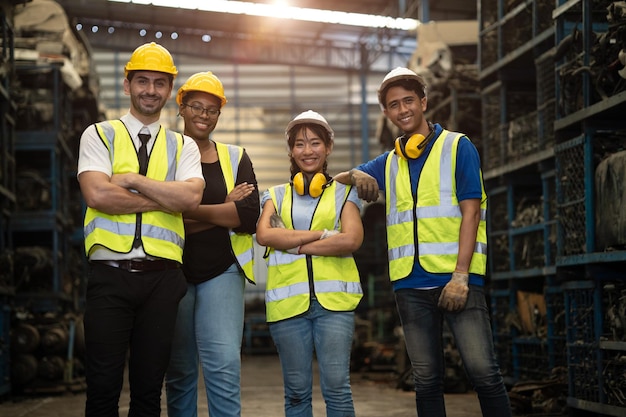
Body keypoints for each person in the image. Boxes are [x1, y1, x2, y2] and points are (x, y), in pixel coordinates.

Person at [334, 67, 512, 417]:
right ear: (386, 113)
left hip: (456, 281)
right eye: (394, 105)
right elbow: (339, 179)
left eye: (409, 101)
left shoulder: (458, 147)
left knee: (482, 372)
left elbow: (472, 213)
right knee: (426, 379)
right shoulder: (390, 161)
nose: (403, 110)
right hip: (411, 286)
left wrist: (461, 276)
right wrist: (355, 173)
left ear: (424, 102)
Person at [77, 42, 205, 417]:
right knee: (102, 387)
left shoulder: (184, 146)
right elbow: (98, 194)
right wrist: (168, 198)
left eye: (159, 83)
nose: (151, 90)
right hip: (110, 277)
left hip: (162, 281)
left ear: (170, 91)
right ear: (127, 84)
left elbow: (192, 199)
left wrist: (131, 180)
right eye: (143, 81)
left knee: (149, 391)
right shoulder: (99, 135)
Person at [255, 110, 364, 417]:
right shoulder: (275, 195)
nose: (308, 151)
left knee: (337, 389)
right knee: (296, 393)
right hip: (287, 308)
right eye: (300, 144)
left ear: (328, 147)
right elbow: (265, 235)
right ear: (291, 150)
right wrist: (321, 235)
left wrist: (294, 244)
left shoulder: (344, 193)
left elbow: (351, 240)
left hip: (335, 306)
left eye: (315, 143)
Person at [165, 71, 259, 417]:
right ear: (182, 108)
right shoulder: (164, 152)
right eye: (196, 107)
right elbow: (158, 216)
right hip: (174, 270)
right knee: (180, 370)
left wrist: (186, 212)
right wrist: (223, 209)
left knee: (223, 367)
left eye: (212, 110)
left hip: (223, 270)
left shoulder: (235, 157)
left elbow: (248, 217)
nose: (203, 116)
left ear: (219, 114)